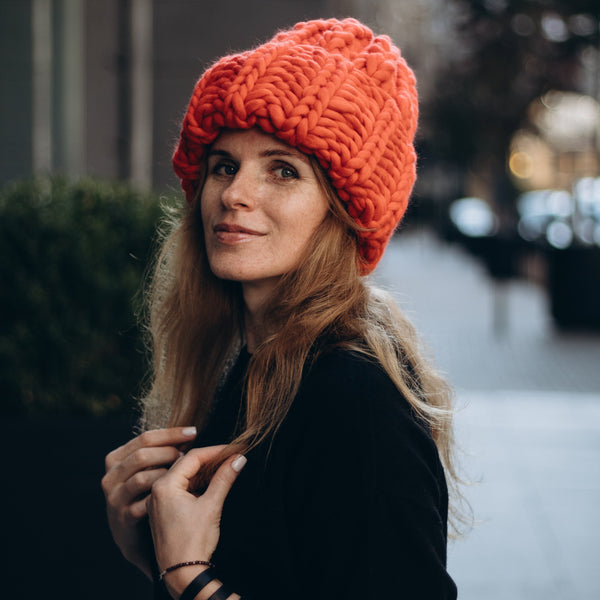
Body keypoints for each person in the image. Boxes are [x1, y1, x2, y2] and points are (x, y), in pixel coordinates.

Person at [102, 17, 461, 600]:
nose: (235, 193)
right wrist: (143, 547)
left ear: (341, 212)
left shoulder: (353, 394)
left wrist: (187, 574)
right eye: (225, 165)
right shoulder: (251, 360)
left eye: (283, 170)